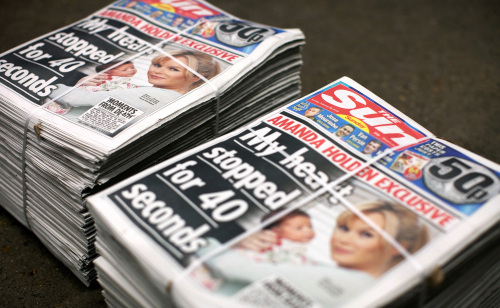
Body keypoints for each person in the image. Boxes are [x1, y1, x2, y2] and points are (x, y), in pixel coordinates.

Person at [196, 201, 429, 305]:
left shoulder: (355, 285)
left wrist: (212, 242)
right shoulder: (323, 269)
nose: (344, 239)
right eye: (344, 228)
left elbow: (231, 267)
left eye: (366, 234)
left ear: (398, 248)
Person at [45, 50, 221, 119]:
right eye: (158, 64)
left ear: (195, 78)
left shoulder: (161, 96)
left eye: (173, 69)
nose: (157, 71)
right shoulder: (148, 90)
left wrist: (62, 87)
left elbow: (73, 98)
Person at [236, 210, 316, 264]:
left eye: (310, 227)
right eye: (299, 228)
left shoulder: (296, 246)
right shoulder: (275, 242)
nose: (308, 231)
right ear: (276, 231)